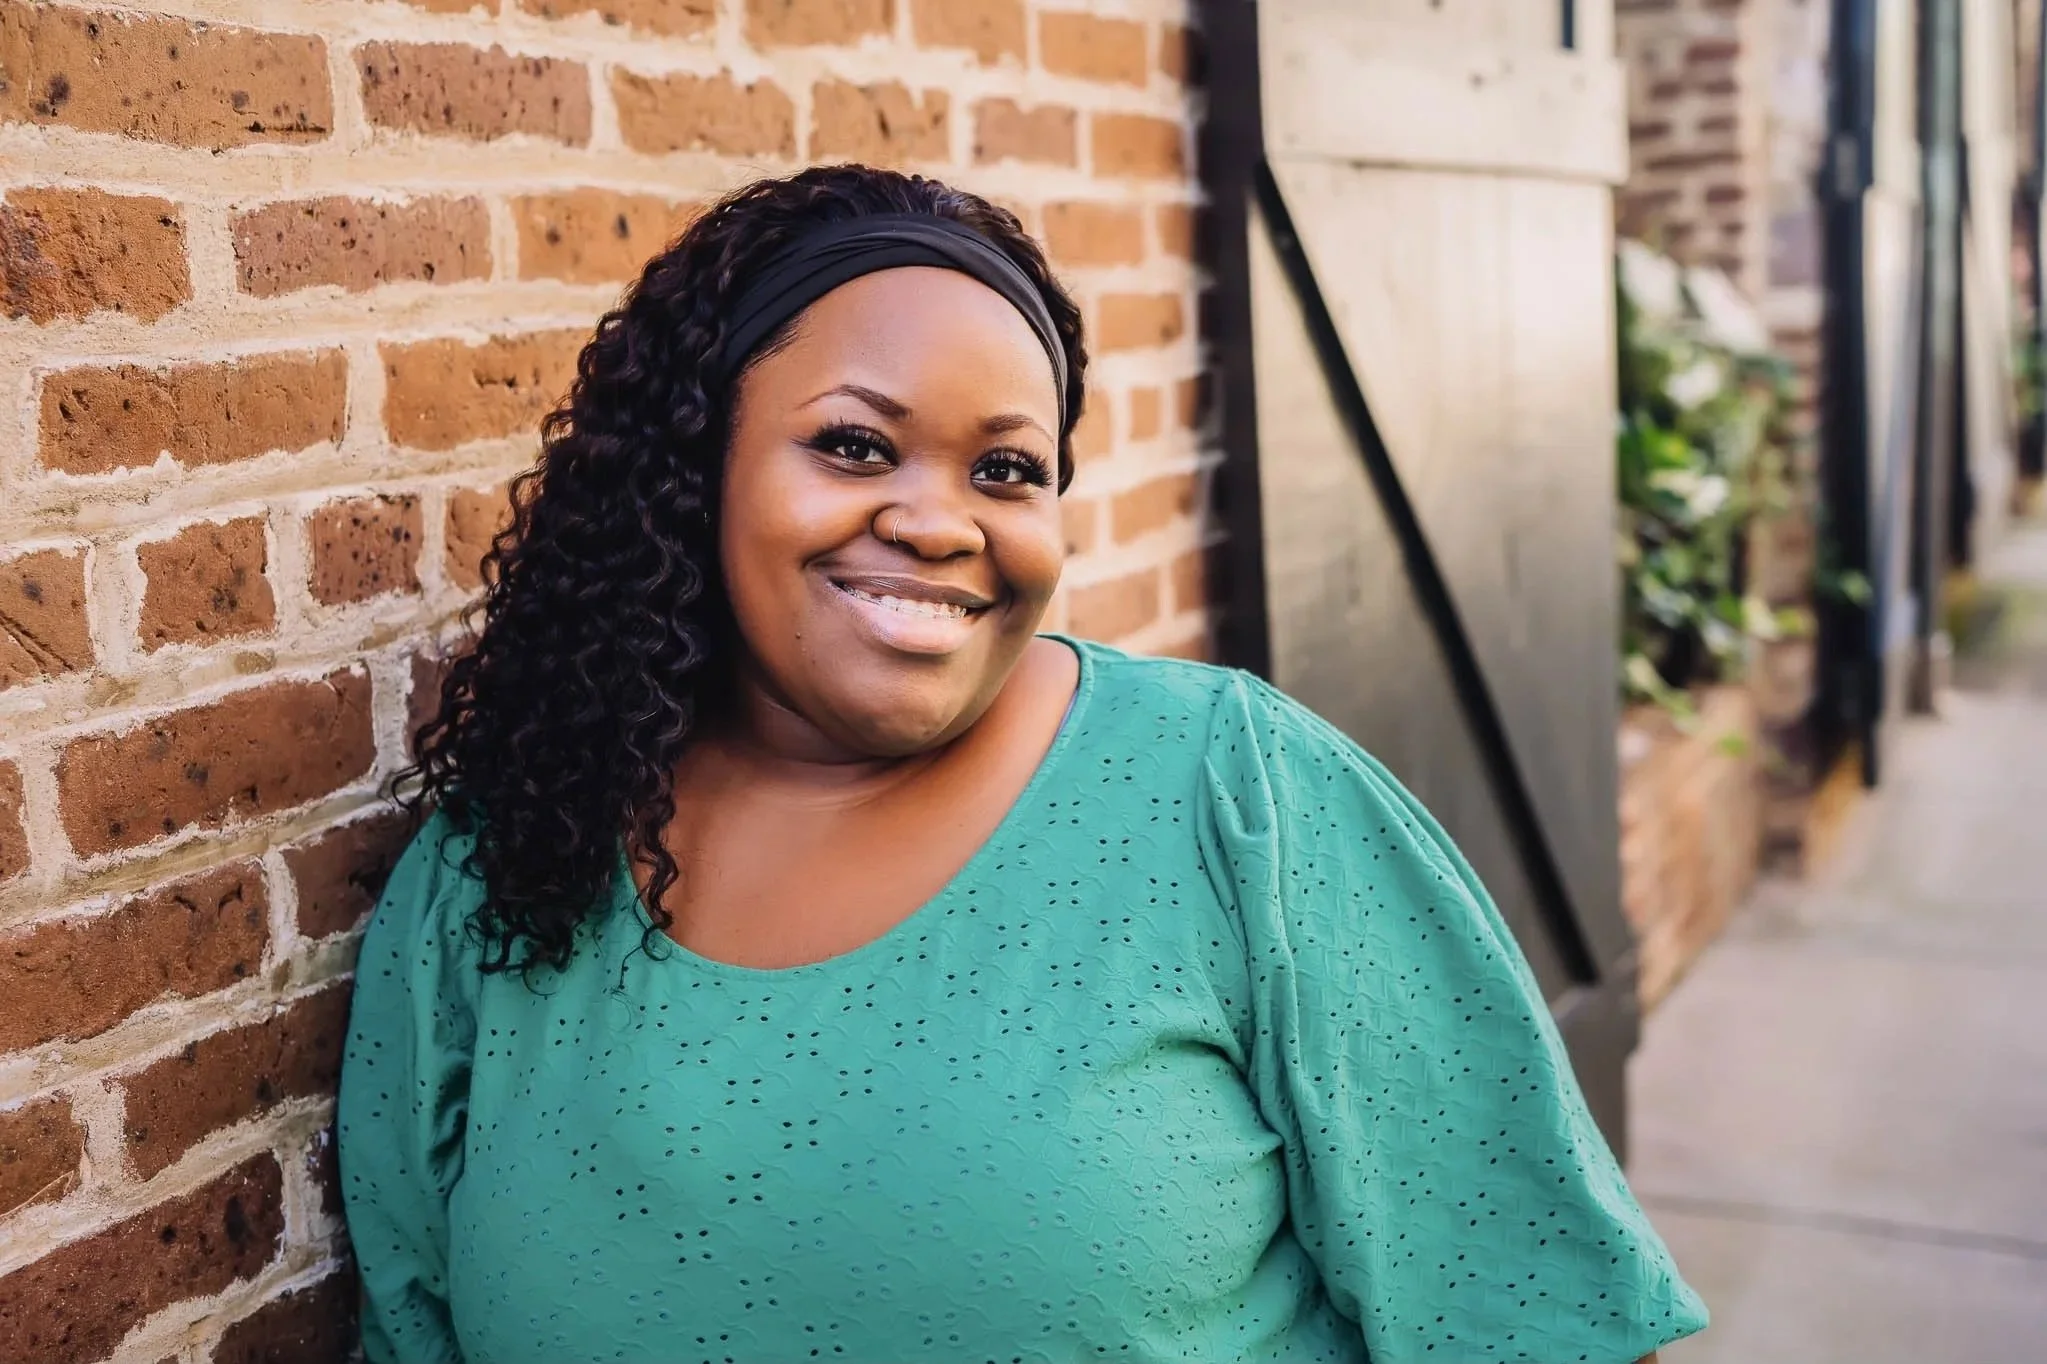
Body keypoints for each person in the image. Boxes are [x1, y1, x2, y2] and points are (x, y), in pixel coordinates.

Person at [338, 163, 1707, 1364]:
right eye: (855, 446)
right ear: (693, 472)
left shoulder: (1236, 798)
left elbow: (1537, 1321)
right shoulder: (508, 863)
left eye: (1005, 471)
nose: (938, 522)